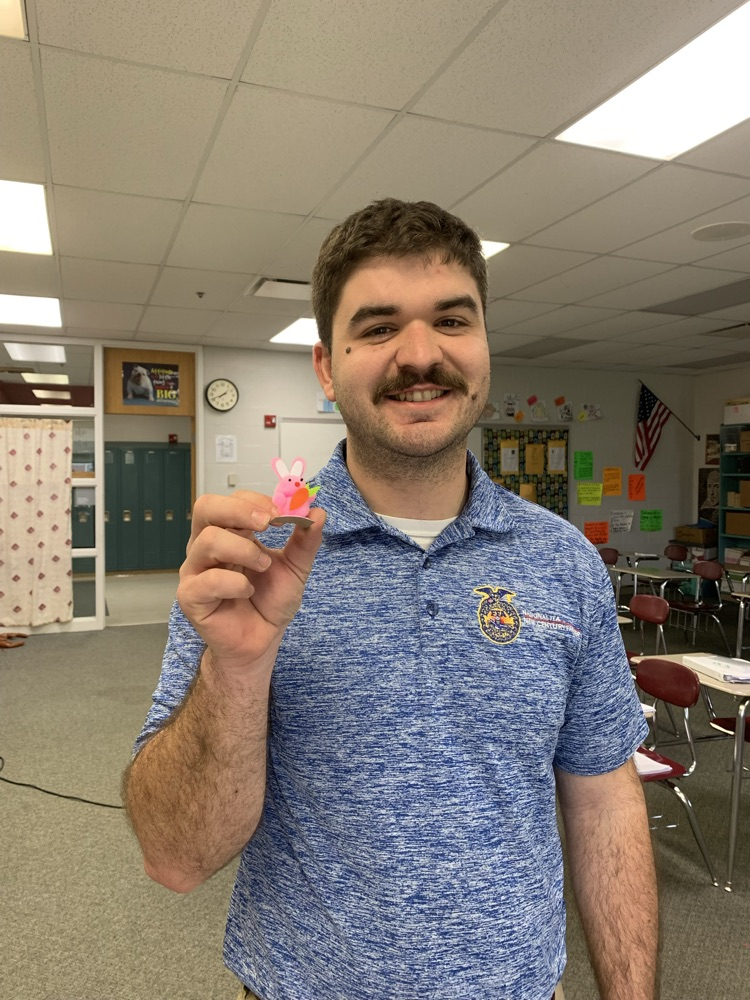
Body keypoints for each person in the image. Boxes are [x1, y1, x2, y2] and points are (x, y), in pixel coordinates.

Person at [122, 199, 657, 1000]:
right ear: (326, 367)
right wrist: (237, 669)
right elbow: (174, 857)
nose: (419, 354)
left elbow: (605, 796)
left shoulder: (564, 561)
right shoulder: (252, 565)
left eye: (451, 320)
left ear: (483, 345)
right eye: (377, 328)